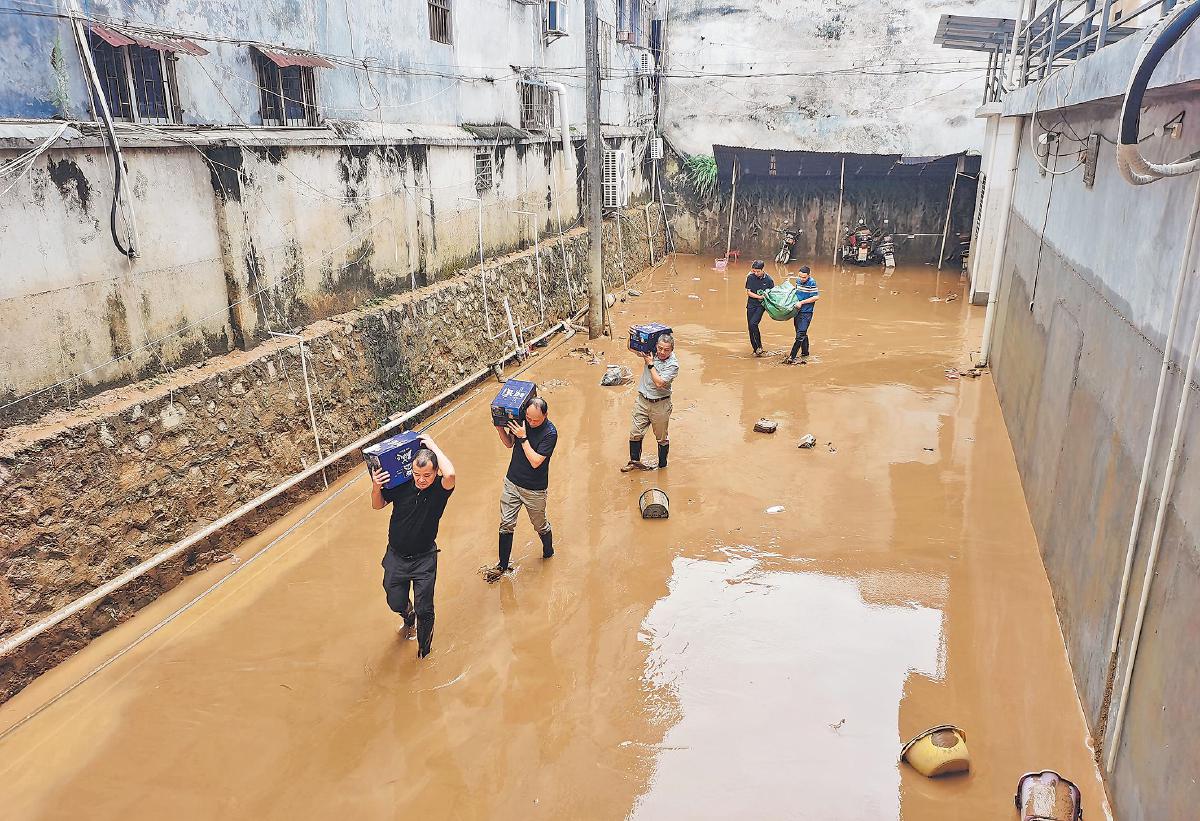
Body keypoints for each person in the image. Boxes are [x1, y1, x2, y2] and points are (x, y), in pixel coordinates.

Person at [370, 435, 456, 659]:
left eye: (427, 475)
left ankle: (423, 652)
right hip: (396, 557)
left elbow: (450, 474)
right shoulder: (401, 484)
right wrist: (376, 487)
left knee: (425, 610)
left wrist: (431, 444)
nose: (421, 480)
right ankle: (408, 616)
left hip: (424, 559)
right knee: (394, 601)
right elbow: (377, 505)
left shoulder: (440, 490)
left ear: (435, 472)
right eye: (417, 474)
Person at [484, 397, 558, 583]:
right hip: (512, 481)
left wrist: (523, 437)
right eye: (528, 418)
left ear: (545, 415)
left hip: (535, 489)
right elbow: (510, 443)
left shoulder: (550, 433)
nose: (531, 422)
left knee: (540, 525)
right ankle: (502, 566)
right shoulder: (521, 420)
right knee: (506, 524)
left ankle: (548, 552)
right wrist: (500, 428)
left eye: (535, 420)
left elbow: (536, 461)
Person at [622, 333, 678, 472]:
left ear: (672, 350)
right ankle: (634, 462)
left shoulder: (673, 365)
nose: (662, 352)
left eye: (666, 350)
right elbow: (630, 347)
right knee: (635, 433)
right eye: (660, 348)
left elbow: (659, 383)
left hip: (660, 404)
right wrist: (633, 335)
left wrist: (650, 363)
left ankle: (662, 467)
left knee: (661, 438)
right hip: (642, 401)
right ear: (656, 346)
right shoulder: (651, 352)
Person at [784, 266, 820, 365]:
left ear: (809, 275)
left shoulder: (812, 283)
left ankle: (792, 356)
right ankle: (805, 353)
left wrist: (802, 302)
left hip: (806, 312)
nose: (801, 279)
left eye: (804, 277)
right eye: (800, 276)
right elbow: (796, 293)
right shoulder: (798, 281)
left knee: (800, 334)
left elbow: (816, 297)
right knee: (800, 332)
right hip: (797, 310)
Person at [745, 259, 774, 356]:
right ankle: (756, 349)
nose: (756, 273)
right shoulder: (750, 277)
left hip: (761, 305)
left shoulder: (769, 280)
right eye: (754, 271)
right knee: (750, 327)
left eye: (758, 271)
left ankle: (759, 346)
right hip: (751, 304)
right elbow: (749, 292)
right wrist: (759, 297)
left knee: (753, 323)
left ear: (762, 270)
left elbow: (772, 294)